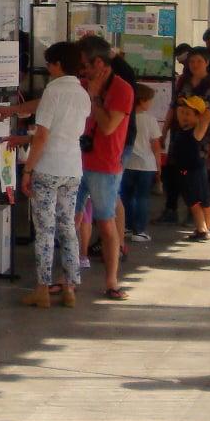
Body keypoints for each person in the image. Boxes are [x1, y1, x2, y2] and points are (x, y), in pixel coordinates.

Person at [17, 41, 89, 309]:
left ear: (58, 64)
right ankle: (70, 288)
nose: (47, 67)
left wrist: (28, 169)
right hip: (73, 168)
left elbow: (42, 135)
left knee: (45, 231)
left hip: (48, 167)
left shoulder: (53, 90)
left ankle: (42, 289)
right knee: (68, 227)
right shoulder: (82, 93)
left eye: (49, 62)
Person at [77, 36, 134, 301]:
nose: (82, 71)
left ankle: (111, 281)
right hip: (77, 161)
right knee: (70, 220)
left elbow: (110, 126)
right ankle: (68, 274)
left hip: (104, 165)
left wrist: (96, 98)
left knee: (106, 222)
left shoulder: (121, 89)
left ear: (98, 62)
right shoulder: (81, 84)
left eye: (85, 65)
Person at [161, 48, 210, 223]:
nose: (194, 65)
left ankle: (200, 218)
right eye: (191, 62)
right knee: (175, 172)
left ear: (207, 63)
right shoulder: (184, 82)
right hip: (180, 134)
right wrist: (165, 131)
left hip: (203, 137)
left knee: (198, 176)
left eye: (198, 61)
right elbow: (173, 108)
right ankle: (171, 208)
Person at [120, 84, 163, 242]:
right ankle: (140, 230)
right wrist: (159, 167)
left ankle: (127, 227)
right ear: (143, 101)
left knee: (126, 197)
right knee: (142, 198)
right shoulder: (150, 120)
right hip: (146, 165)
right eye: (150, 101)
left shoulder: (125, 117)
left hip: (127, 163)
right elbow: (156, 145)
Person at [169, 95, 210, 240]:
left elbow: (209, 115)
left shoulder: (197, 131)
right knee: (203, 199)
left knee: (195, 202)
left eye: (188, 114)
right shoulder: (184, 128)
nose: (184, 116)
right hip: (192, 169)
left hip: (191, 171)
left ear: (198, 117)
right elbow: (178, 109)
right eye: (183, 113)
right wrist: (183, 104)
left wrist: (203, 108)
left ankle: (202, 229)